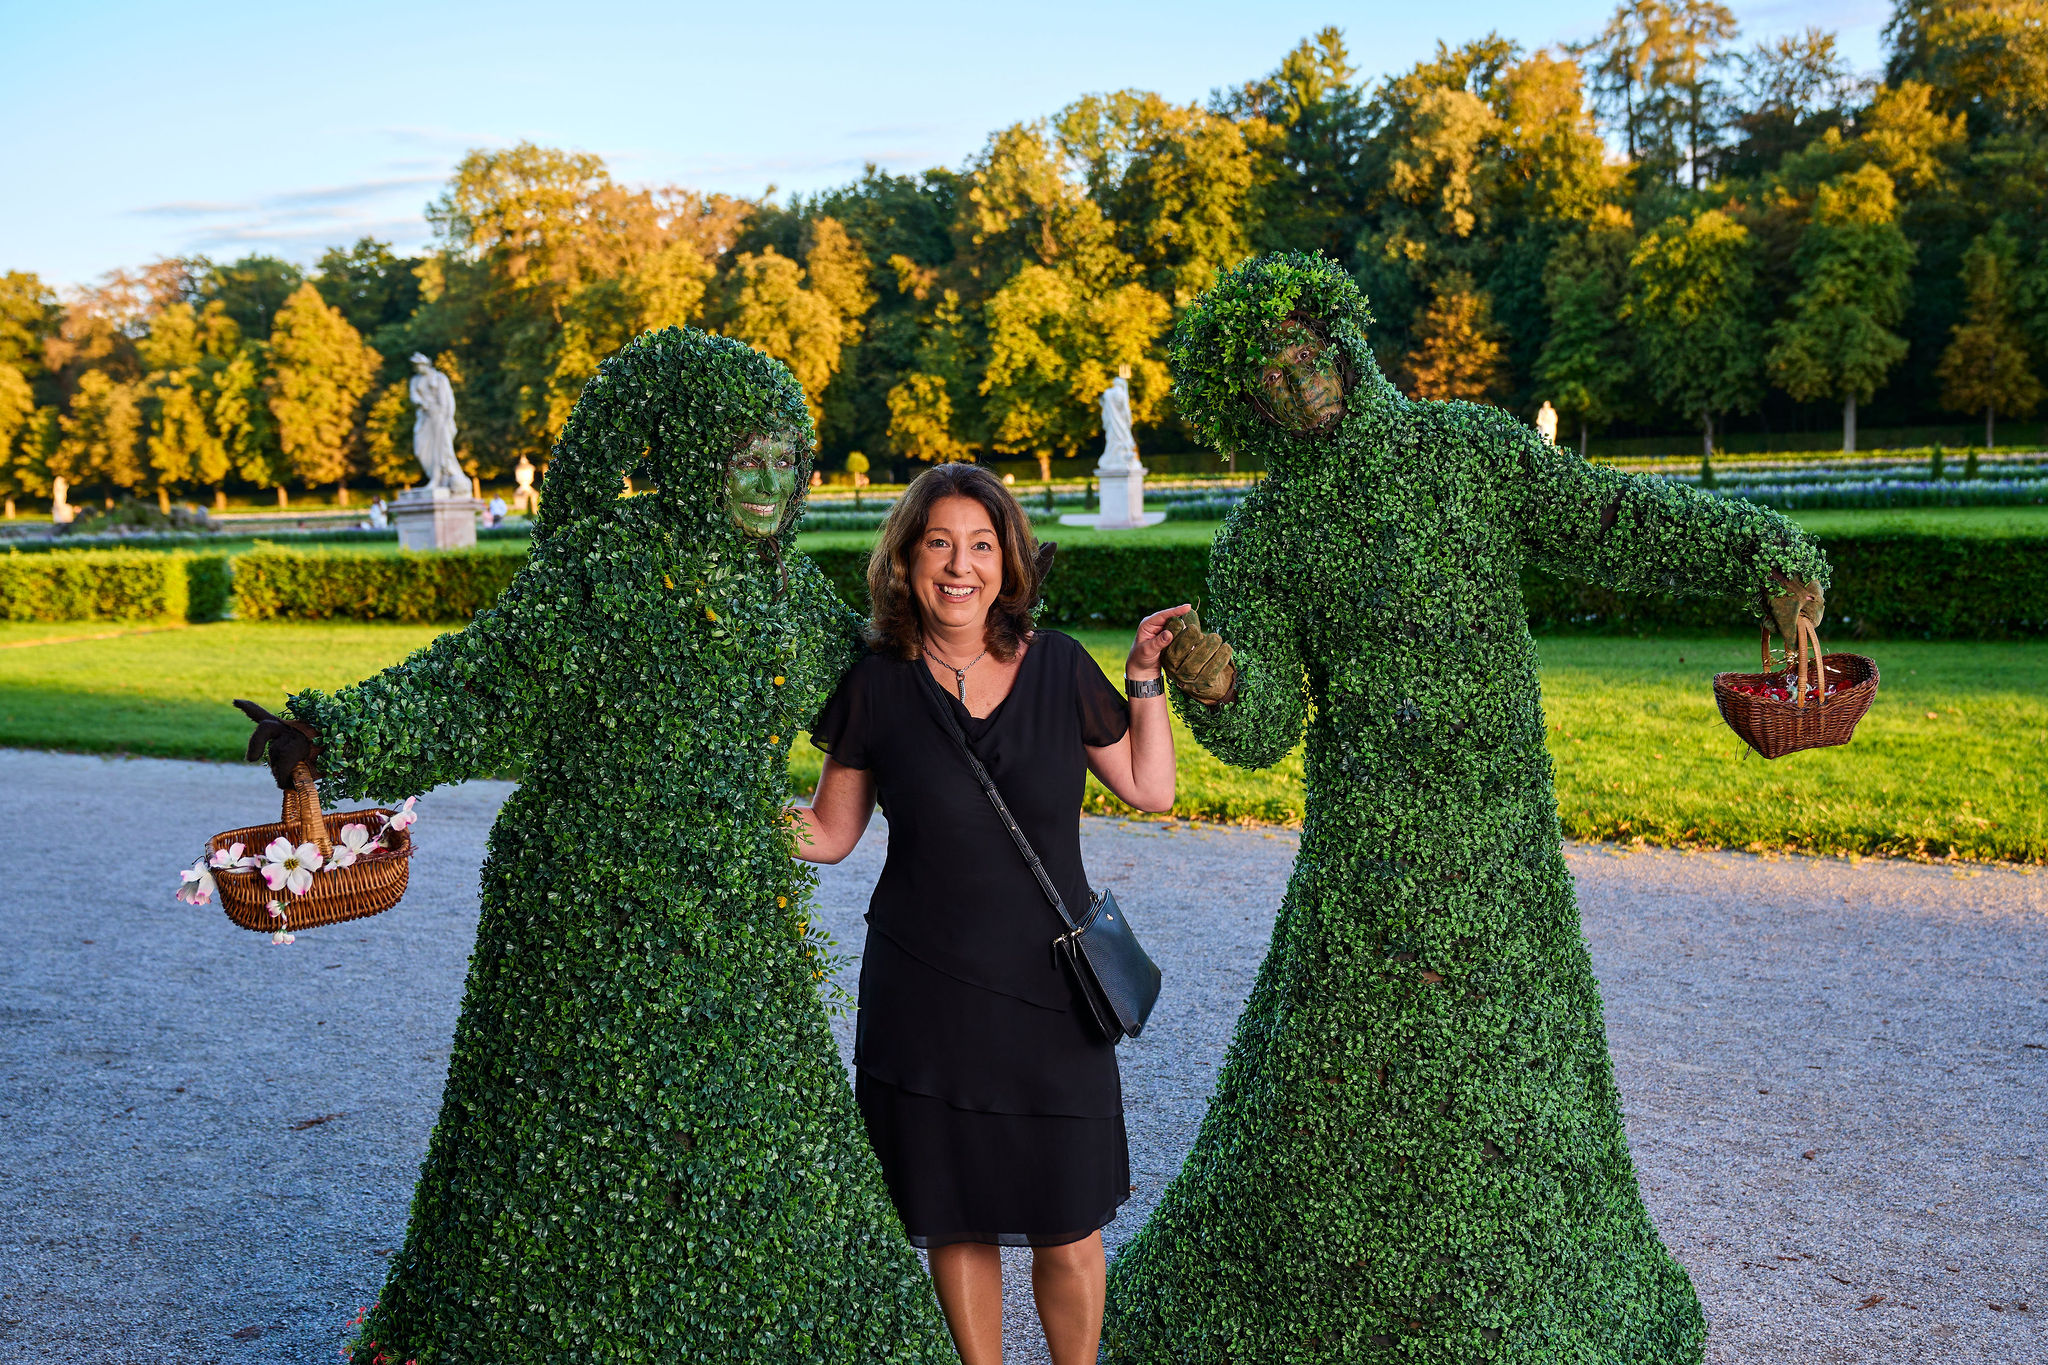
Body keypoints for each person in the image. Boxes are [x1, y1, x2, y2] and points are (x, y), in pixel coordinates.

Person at [236, 329, 955, 1363]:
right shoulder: (604, 564)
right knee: (549, 1124)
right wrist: (331, 738)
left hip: (734, 906)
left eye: (783, 459)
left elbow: (890, 689)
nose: (764, 480)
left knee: (763, 1118)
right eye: (740, 454)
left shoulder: (795, 597)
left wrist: (1006, 642)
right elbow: (477, 685)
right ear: (690, 457)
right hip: (580, 895)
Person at [792, 462, 1185, 1365]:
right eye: (938, 543)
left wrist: (1142, 679)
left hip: (1055, 993)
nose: (958, 565)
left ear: (1007, 562)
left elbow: (1151, 787)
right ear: (906, 561)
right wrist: (715, 808)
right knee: (953, 1213)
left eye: (980, 544)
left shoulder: (1056, 666)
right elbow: (828, 830)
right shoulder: (877, 685)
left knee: (1069, 1219)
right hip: (926, 991)